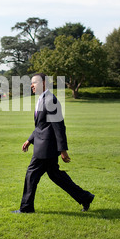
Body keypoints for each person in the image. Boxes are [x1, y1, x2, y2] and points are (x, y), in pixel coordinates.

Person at [12, 73, 95, 213]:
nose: (31, 85)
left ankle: (26, 208)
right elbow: (41, 126)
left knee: (31, 175)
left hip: (46, 148)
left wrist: (63, 150)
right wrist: (29, 140)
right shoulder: (42, 99)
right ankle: (85, 197)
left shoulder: (51, 100)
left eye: (35, 82)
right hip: (43, 145)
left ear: (44, 83)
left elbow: (59, 126)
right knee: (57, 176)